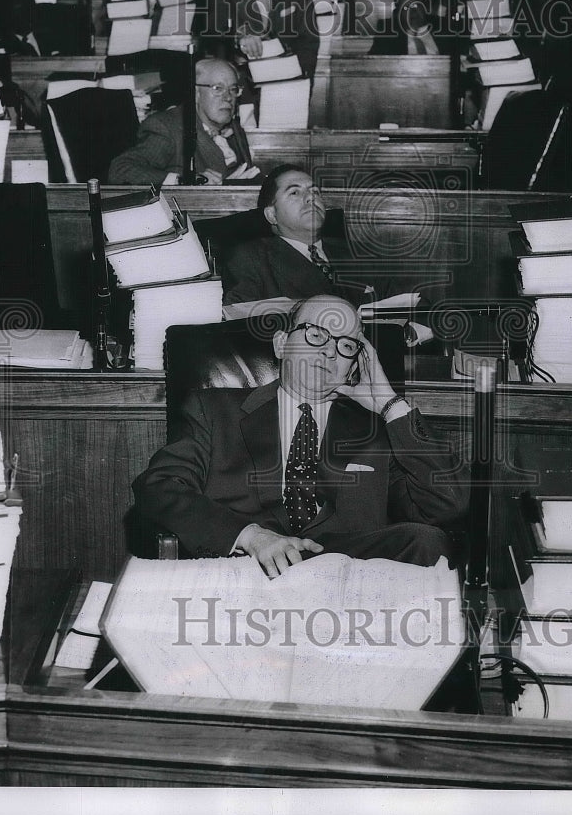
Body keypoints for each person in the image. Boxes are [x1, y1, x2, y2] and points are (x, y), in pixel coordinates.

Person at [133, 293, 468, 577]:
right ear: (281, 344)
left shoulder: (376, 429)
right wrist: (250, 536)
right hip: (249, 569)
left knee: (427, 542)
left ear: (355, 364)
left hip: (350, 578)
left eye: (347, 344)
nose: (330, 352)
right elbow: (160, 487)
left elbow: (446, 506)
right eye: (316, 335)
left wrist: (390, 404)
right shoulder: (214, 410)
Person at [223, 165, 373, 306]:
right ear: (272, 215)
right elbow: (241, 323)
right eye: (294, 192)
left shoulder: (358, 252)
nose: (311, 198)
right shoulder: (251, 260)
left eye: (315, 192)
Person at [108, 58, 260, 187]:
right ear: (195, 93)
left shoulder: (232, 125)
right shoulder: (167, 127)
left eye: (233, 89)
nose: (228, 97)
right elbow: (121, 170)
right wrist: (183, 181)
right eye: (218, 88)